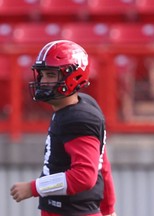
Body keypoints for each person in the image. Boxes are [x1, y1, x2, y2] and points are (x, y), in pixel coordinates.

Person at [10, 40, 117, 216]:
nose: (43, 81)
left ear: (73, 76)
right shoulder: (81, 106)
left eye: (51, 75)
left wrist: (34, 187)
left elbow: (84, 176)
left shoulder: (77, 118)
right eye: (42, 74)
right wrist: (109, 209)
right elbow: (102, 164)